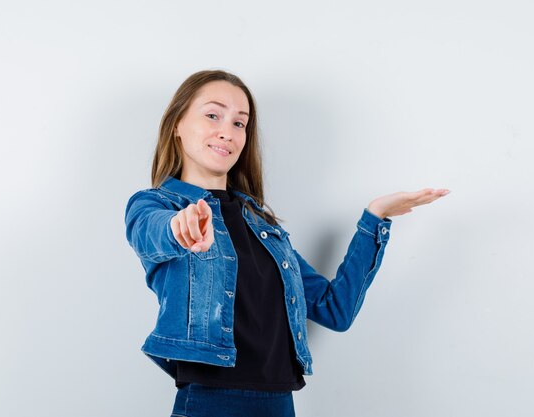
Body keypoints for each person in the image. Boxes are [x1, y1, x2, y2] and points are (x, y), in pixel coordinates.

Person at [124, 69, 449, 417]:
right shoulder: (157, 206)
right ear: (177, 124)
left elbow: (334, 309)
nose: (227, 131)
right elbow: (153, 233)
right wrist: (180, 227)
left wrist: (374, 219)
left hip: (279, 403)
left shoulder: (262, 226)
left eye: (239, 123)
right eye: (213, 115)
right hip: (210, 402)